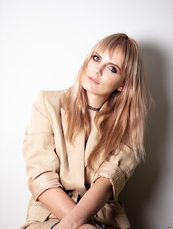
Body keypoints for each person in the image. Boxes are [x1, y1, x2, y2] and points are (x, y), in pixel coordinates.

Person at [20, 33, 152, 229]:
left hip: (104, 219)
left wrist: (84, 225)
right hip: (49, 217)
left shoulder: (129, 124)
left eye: (112, 68)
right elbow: (41, 177)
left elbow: (107, 183)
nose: (97, 70)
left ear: (123, 84)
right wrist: (82, 226)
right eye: (96, 58)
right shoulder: (46, 104)